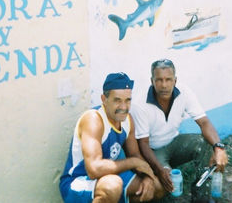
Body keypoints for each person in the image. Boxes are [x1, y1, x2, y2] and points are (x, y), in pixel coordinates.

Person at [131, 59, 228, 201]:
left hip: (174, 142)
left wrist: (219, 148)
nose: (164, 85)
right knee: (170, 184)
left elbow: (204, 122)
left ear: (175, 81)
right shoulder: (139, 103)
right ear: (152, 81)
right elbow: (143, 144)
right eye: (159, 80)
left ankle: (202, 197)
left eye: (168, 79)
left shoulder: (184, 92)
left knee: (204, 143)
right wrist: (160, 170)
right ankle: (167, 181)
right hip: (153, 151)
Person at [59, 72, 164, 203]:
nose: (124, 107)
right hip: (78, 180)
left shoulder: (127, 120)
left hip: (110, 175)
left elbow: (136, 155)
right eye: (117, 100)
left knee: (157, 186)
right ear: (104, 99)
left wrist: (147, 176)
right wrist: (133, 163)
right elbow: (94, 169)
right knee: (112, 186)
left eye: (128, 100)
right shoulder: (93, 119)